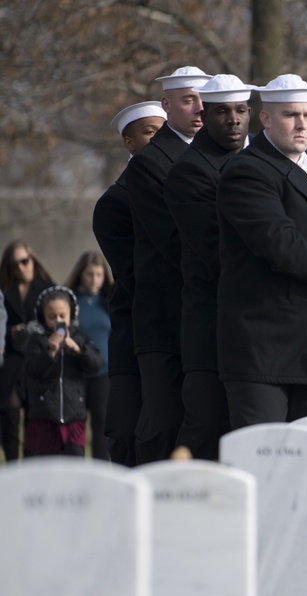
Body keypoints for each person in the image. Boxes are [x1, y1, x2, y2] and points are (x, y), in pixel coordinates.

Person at [216, 74, 307, 428]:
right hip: (264, 349)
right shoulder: (246, 170)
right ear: (265, 118)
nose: (301, 124)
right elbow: (278, 242)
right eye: (290, 115)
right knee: (264, 463)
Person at [164, 74, 253, 461]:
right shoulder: (191, 171)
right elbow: (215, 253)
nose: (233, 120)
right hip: (210, 328)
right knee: (204, 427)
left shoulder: (254, 162)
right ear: (205, 113)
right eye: (223, 112)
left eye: (241, 110)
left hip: (250, 328)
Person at [127, 66, 212, 463]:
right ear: (167, 105)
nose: (199, 108)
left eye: (202, 99)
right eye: (187, 100)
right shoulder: (151, 163)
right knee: (163, 424)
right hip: (166, 316)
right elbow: (176, 242)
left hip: (205, 313)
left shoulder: (217, 153)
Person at [93, 100, 167, 466]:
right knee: (127, 432)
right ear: (130, 143)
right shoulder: (115, 204)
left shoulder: (183, 189)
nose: (160, 139)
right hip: (137, 331)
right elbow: (137, 274)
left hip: (177, 333)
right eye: (150, 132)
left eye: (163, 131)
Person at [22, 287, 102, 457]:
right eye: (52, 316)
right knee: (46, 469)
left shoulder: (80, 337)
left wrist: (77, 349)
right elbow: (32, 370)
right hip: (44, 415)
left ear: (71, 315)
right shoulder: (37, 340)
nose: (58, 320)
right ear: (42, 315)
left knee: (74, 466)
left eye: (62, 316)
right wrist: (50, 353)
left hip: (74, 416)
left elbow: (96, 363)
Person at [0, 241, 55, 464]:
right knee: (9, 414)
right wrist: (12, 331)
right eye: (15, 264)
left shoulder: (46, 289)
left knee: (35, 418)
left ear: (32, 260)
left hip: (36, 359)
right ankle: (12, 466)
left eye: (25, 261)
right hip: (12, 359)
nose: (21, 268)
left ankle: (30, 469)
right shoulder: (4, 289)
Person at [65, 252, 113, 461]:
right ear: (80, 275)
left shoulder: (109, 300)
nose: (94, 280)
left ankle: (101, 471)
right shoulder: (70, 302)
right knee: (75, 424)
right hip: (77, 372)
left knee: (102, 425)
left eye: (99, 275)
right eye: (89, 274)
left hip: (104, 373)